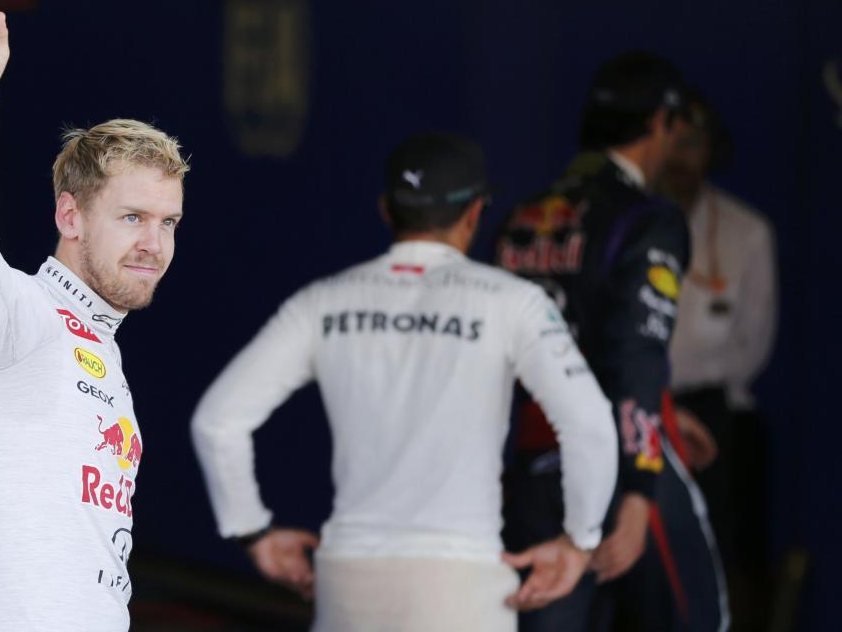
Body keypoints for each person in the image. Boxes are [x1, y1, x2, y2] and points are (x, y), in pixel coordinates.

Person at [190, 134, 618, 632]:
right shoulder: (514, 302)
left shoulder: (322, 301)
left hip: (349, 583)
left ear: (385, 211)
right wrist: (579, 541)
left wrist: (253, 530)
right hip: (462, 584)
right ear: (475, 213)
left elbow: (217, 422)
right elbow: (589, 427)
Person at [0, 0, 189, 630]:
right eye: (132, 216)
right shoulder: (22, 318)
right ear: (70, 212)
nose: (154, 243)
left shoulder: (100, 348)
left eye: (169, 221)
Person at [495, 52, 728, 632]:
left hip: (533, 469)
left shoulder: (521, 217)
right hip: (620, 467)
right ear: (660, 125)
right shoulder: (650, 219)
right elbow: (636, 354)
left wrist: (664, 411)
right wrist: (640, 490)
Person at [656, 92, 777, 632]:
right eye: (672, 142)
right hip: (636, 411)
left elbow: (755, 341)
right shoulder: (626, 221)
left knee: (718, 555)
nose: (681, 157)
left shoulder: (744, 231)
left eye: (694, 144)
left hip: (713, 414)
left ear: (712, 151)